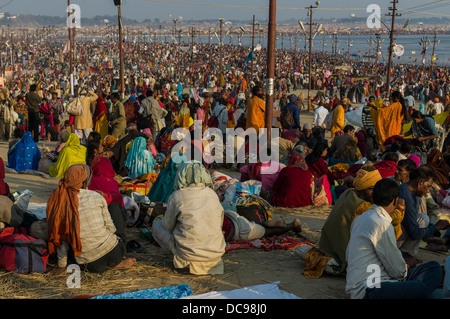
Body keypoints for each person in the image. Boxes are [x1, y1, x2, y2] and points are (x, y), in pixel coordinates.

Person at [345, 178, 443, 299]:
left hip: (375, 279)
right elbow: (396, 270)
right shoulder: (382, 223)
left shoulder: (360, 219)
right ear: (395, 201)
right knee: (419, 287)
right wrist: (405, 268)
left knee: (433, 267)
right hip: (369, 288)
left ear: (373, 198)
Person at [46, 164, 136, 273]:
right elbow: (111, 229)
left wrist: (61, 265)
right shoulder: (96, 196)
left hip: (89, 265)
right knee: (116, 207)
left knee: (72, 247)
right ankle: (115, 264)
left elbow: (61, 240)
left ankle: (105, 265)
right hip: (114, 254)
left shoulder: (58, 203)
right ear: (85, 181)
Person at [151, 162, 226, 275]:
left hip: (188, 255)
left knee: (157, 225)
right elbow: (219, 224)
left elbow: (167, 226)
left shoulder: (177, 195)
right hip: (214, 255)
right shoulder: (212, 194)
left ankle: (181, 259)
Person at [318, 167, 382, 274]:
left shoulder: (348, 193)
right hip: (343, 255)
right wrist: (399, 209)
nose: (374, 193)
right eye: (371, 189)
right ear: (364, 188)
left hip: (327, 247)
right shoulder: (363, 206)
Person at [398, 166, 450, 267]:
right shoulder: (406, 196)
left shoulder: (412, 192)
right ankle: (405, 255)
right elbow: (414, 233)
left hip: (400, 231)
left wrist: (429, 232)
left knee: (423, 218)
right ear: (420, 183)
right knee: (423, 219)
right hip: (391, 238)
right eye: (428, 186)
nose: (427, 191)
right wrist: (436, 227)